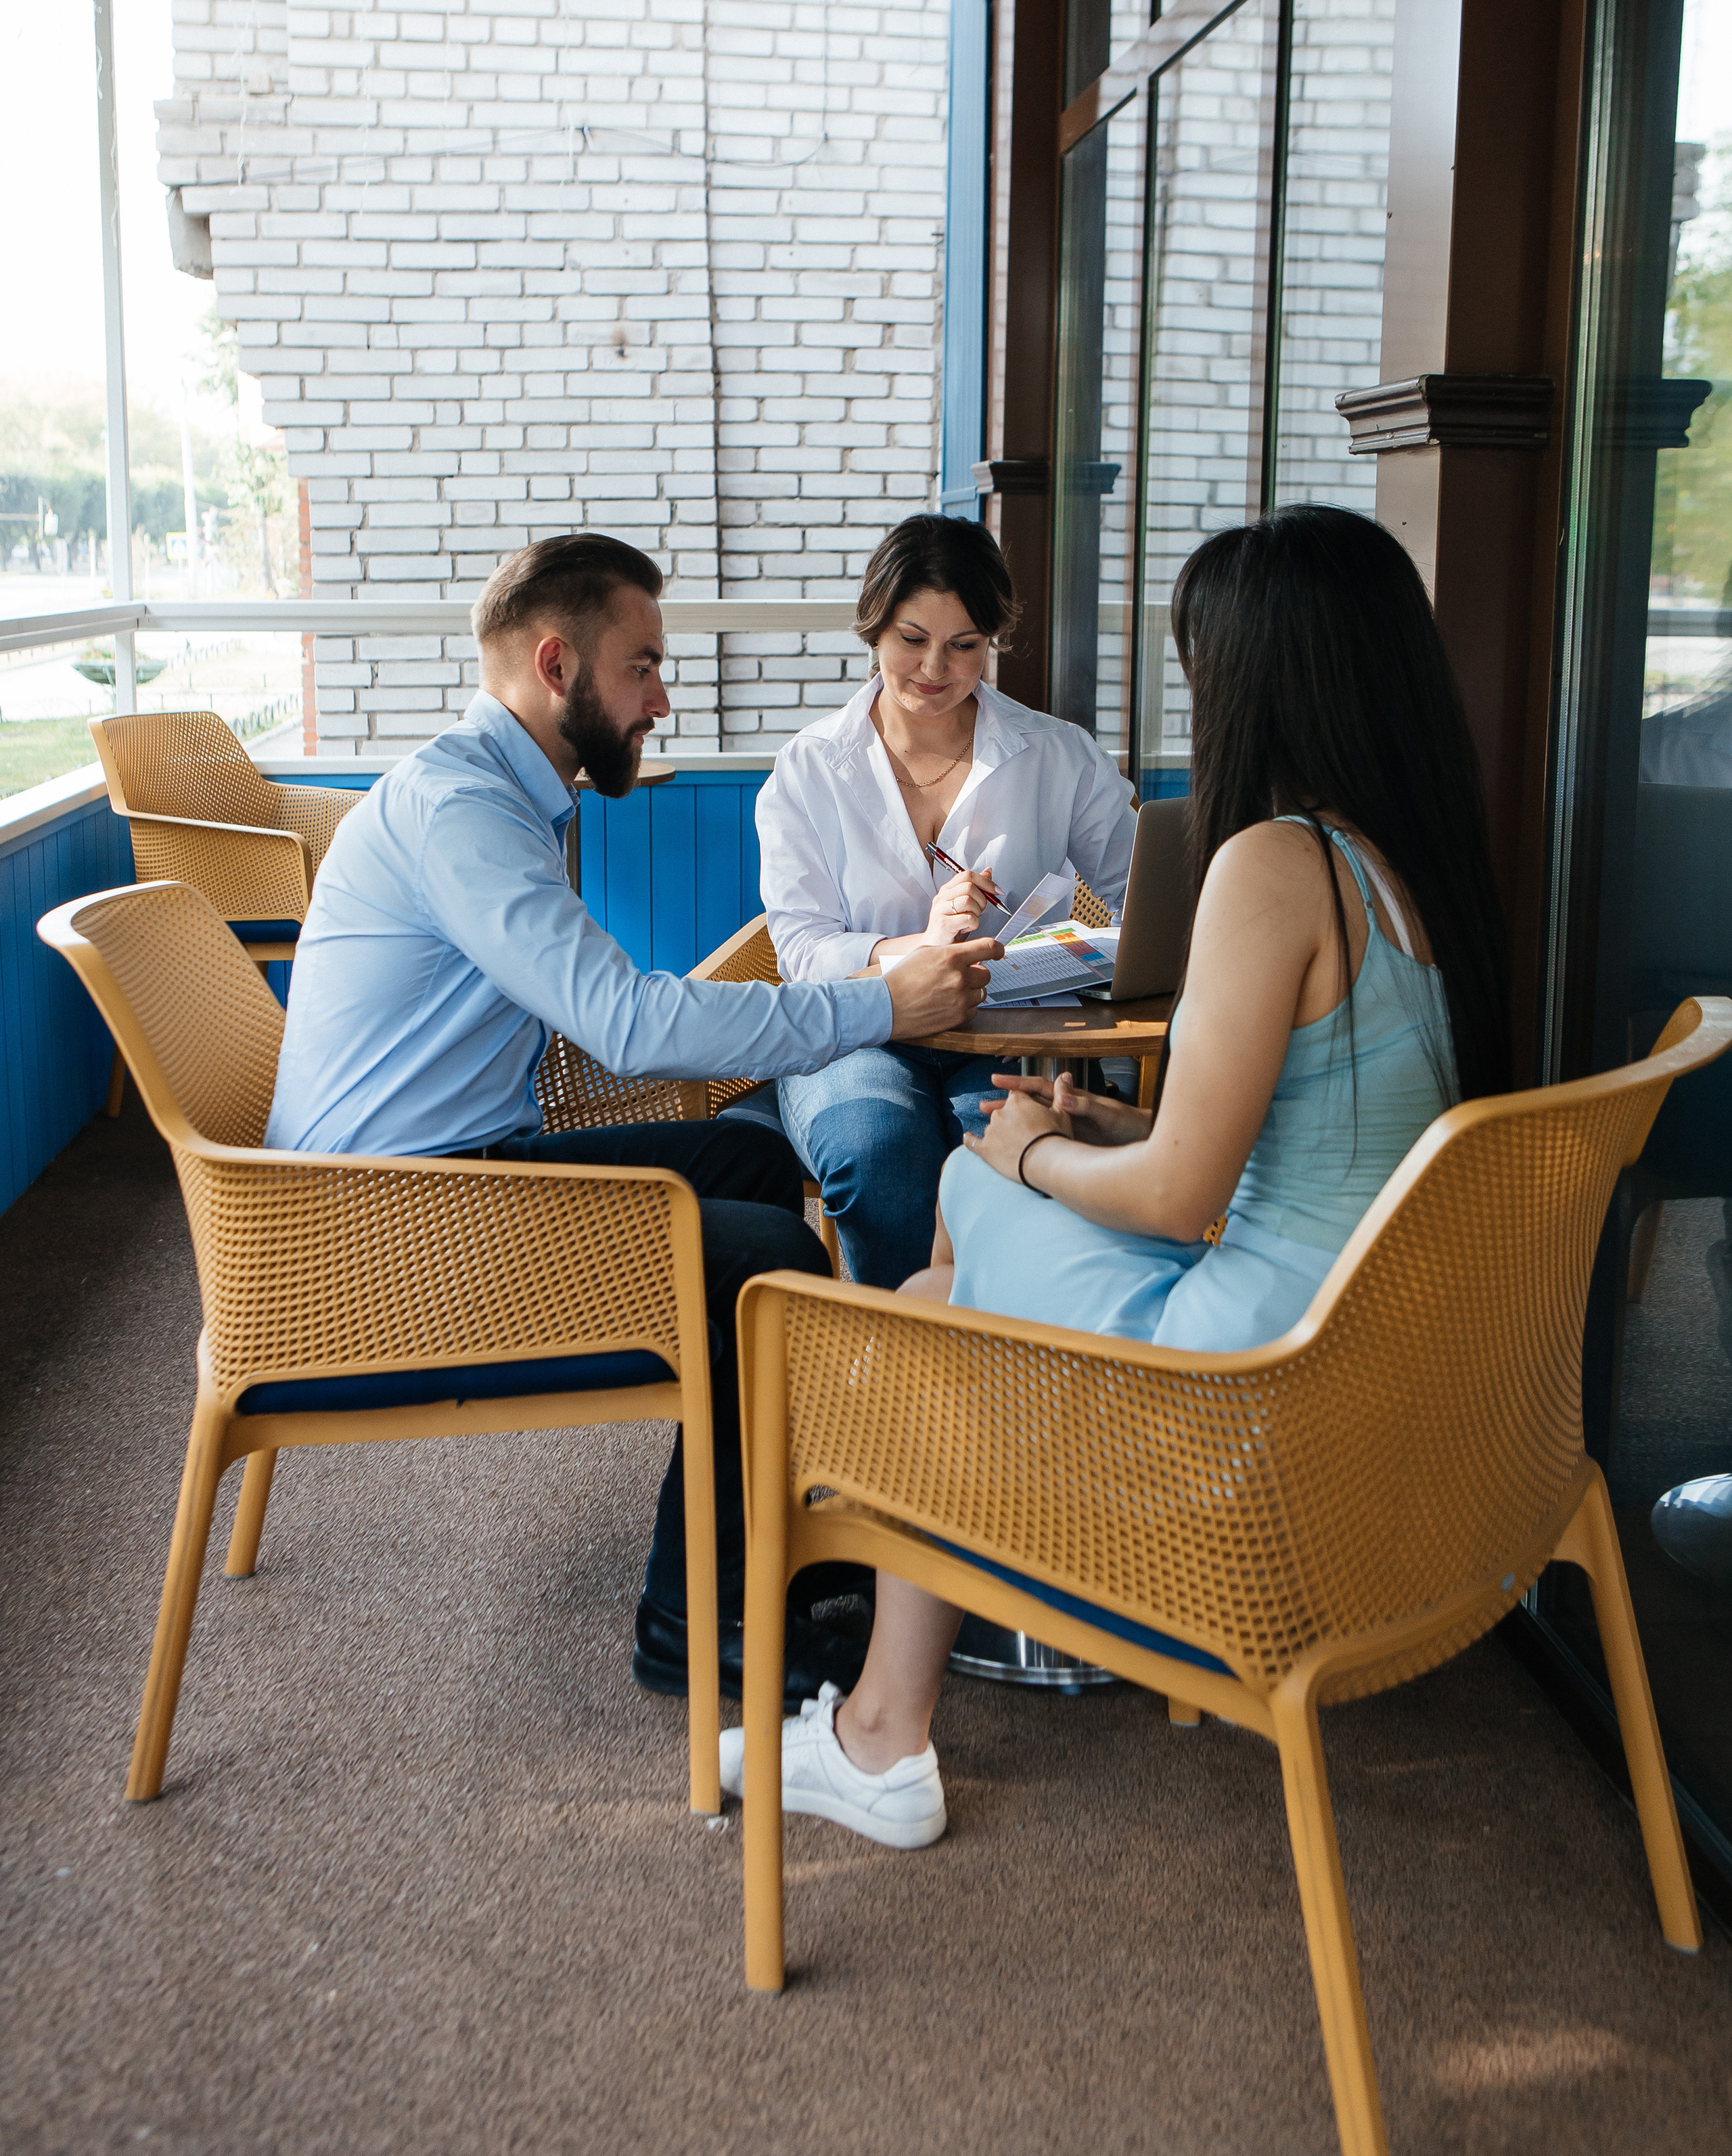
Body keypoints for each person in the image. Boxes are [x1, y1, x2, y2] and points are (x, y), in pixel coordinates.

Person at [721, 505, 1512, 1845]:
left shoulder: (1275, 866)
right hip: (1370, 1363)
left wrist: (1032, 1146)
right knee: (936, 1231)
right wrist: (1088, 1132)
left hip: (1251, 1379)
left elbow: (1173, 1201)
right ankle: (897, 1701)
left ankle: (900, 1697)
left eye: (1202, 663)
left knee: (962, 1215)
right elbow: (1299, 1138)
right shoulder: (1417, 873)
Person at [264, 533, 995, 1711]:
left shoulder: (506, 791)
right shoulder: (464, 810)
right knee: (766, 1260)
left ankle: (764, 1533)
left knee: (750, 1158)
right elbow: (624, 1023)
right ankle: (698, 1627)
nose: (663, 698)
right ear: (558, 665)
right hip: (390, 1228)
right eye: (643, 667)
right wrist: (879, 1002)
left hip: (454, 1175)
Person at [756, 514, 1137, 1289]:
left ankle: (997, 1381)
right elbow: (799, 947)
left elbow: (1145, 893)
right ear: (874, 628)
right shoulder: (809, 769)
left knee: (1002, 1152)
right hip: (856, 1032)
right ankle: (897, 1384)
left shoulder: (1055, 754)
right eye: (911, 638)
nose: (935, 668)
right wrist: (916, 950)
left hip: (1004, 1031)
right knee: (879, 1156)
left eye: (964, 645)